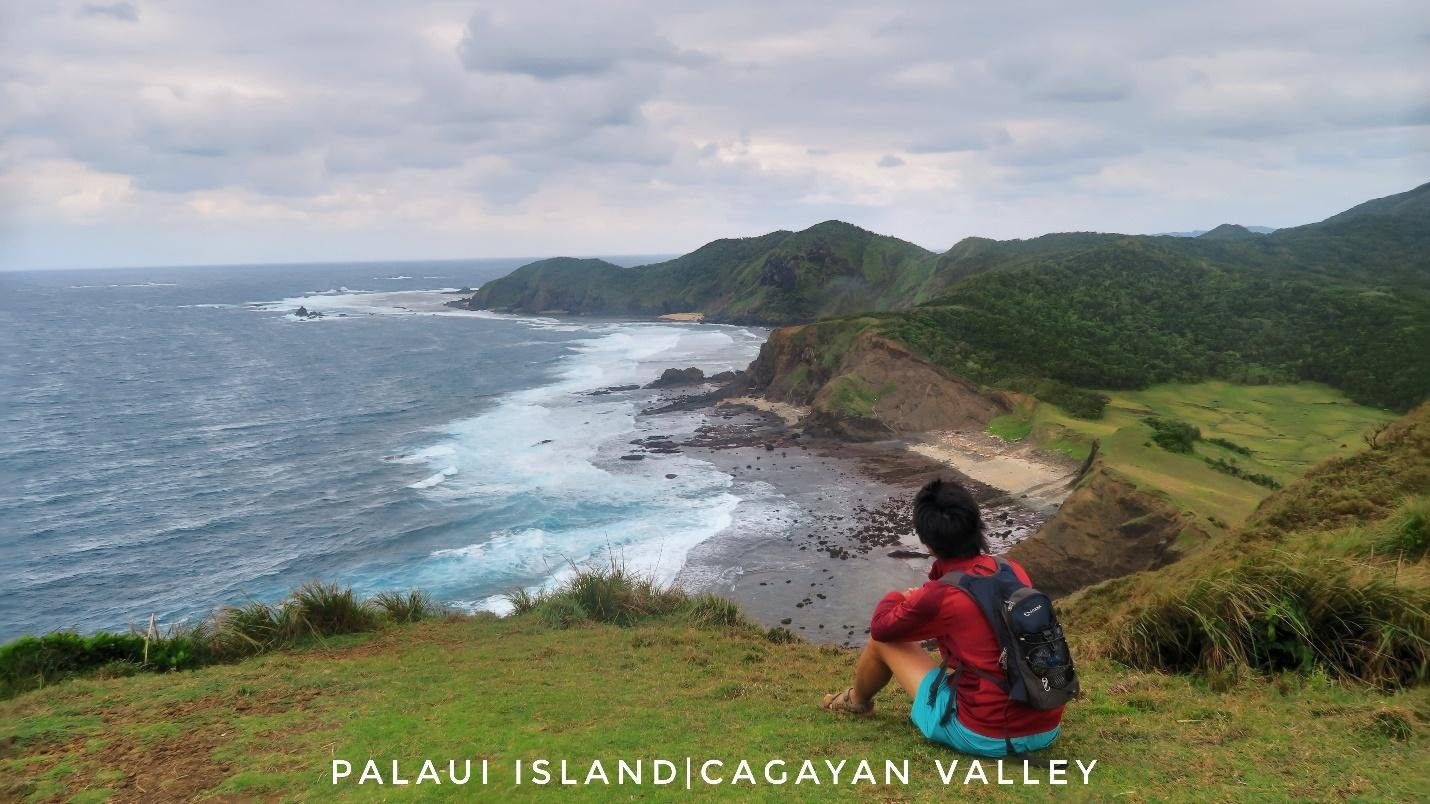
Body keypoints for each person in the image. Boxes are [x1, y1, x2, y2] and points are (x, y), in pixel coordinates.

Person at [820, 477, 1063, 756]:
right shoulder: (1011, 569)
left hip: (986, 735)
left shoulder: (943, 595)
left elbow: (881, 629)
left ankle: (856, 702)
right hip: (1046, 724)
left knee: (882, 643)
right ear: (975, 523)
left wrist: (900, 597)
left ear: (928, 544)